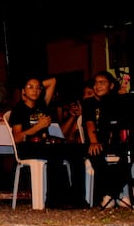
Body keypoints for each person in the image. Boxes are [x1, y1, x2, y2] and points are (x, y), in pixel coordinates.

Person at [8, 75, 88, 209]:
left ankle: (77, 198)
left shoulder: (42, 105)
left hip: (45, 144)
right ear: (23, 91)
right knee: (55, 153)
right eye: (30, 87)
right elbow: (17, 137)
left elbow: (53, 81)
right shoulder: (18, 110)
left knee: (77, 151)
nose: (35, 90)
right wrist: (37, 127)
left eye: (38, 88)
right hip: (28, 147)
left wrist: (35, 85)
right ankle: (55, 199)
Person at [82, 70, 134, 208]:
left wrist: (124, 100)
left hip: (116, 142)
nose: (97, 86)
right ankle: (115, 194)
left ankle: (112, 194)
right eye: (96, 83)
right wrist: (93, 141)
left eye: (102, 83)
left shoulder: (116, 101)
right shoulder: (89, 103)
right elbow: (89, 123)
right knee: (96, 153)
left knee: (128, 154)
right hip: (96, 141)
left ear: (111, 86)